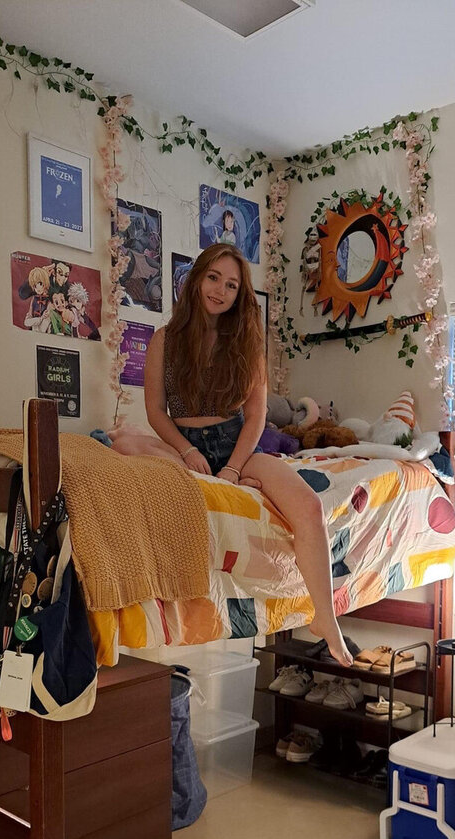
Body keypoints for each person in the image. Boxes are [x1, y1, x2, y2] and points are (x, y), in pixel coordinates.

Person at [144, 243, 353, 667]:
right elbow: (155, 411)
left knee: (310, 507)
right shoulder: (165, 340)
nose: (220, 290)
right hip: (182, 446)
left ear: (240, 294)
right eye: (213, 278)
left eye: (232, 285)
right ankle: (220, 478)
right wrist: (186, 450)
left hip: (236, 444)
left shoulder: (245, 345)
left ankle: (325, 617)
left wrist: (235, 469)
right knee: (125, 443)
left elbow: (256, 417)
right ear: (197, 279)